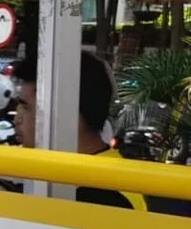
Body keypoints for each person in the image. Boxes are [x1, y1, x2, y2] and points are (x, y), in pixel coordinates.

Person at [12, 53, 148, 210]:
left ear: (64, 112)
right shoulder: (84, 175)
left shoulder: (103, 196)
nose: (17, 119)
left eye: (26, 107)